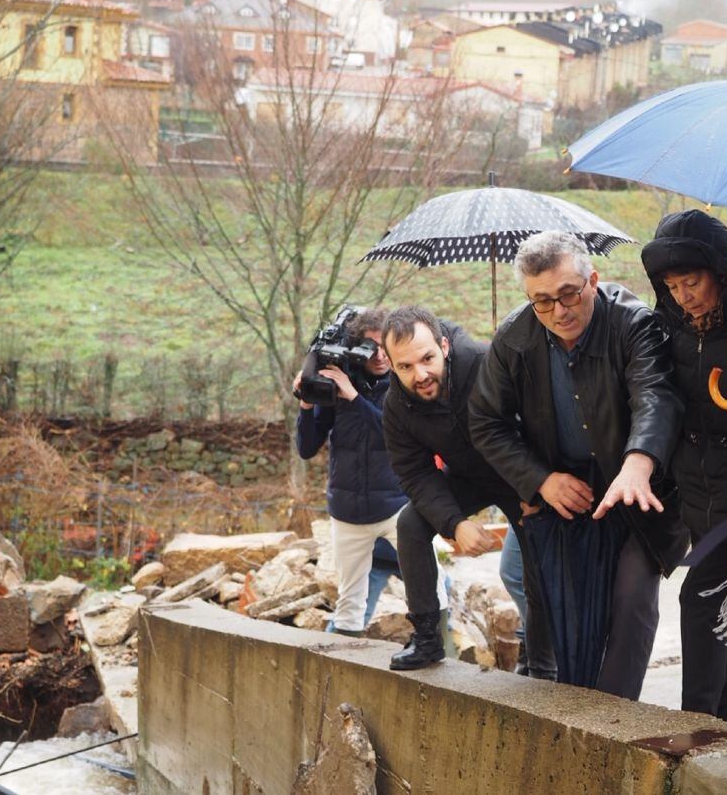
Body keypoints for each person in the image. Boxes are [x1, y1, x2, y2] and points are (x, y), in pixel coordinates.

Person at [470, 230, 687, 699]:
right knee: (538, 590)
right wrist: (540, 480)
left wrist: (639, 462)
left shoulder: (633, 322)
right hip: (563, 491)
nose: (558, 311)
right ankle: (564, 689)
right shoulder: (515, 337)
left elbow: (656, 395)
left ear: (593, 279)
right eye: (542, 301)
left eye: (569, 294)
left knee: (630, 599)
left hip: (636, 490)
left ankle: (611, 713)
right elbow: (486, 422)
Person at [640, 210, 727, 719]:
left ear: (719, 273)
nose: (684, 296)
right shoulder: (667, 324)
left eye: (692, 281)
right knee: (725, 601)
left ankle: (697, 721)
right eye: (673, 285)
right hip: (692, 483)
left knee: (701, 596)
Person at [381, 305, 554, 675]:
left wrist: (534, 486)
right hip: (468, 477)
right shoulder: (397, 406)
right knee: (411, 523)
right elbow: (415, 474)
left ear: (444, 345)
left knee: (536, 561)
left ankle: (540, 662)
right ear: (391, 365)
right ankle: (428, 639)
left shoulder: (482, 363)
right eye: (405, 367)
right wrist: (455, 522)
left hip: (518, 471)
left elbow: (537, 425)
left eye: (427, 359)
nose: (420, 374)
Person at [294, 308, 447, 636]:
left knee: (434, 590)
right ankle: (340, 676)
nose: (378, 355)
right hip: (347, 513)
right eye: (368, 347)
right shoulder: (339, 384)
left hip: (399, 508)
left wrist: (353, 397)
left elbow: (399, 435)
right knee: (349, 605)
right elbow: (307, 448)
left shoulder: (406, 385)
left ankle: (442, 657)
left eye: (384, 347)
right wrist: (307, 403)